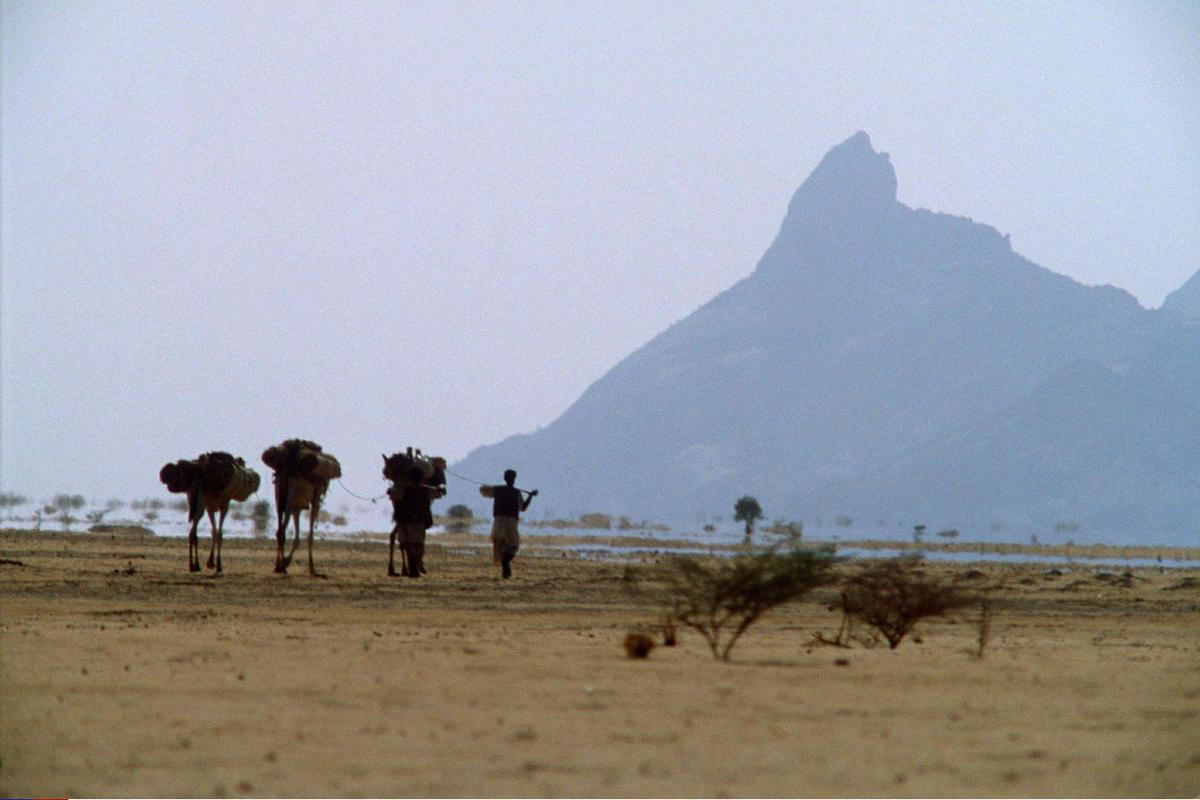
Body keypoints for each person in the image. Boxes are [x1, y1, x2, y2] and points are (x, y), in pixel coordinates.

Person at [479, 469, 536, 579]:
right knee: (513, 545)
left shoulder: (498, 490)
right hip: (511, 521)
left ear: (505, 478)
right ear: (514, 479)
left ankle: (505, 565)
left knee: (500, 545)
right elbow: (523, 507)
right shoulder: (516, 492)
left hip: (499, 521)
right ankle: (506, 564)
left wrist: (485, 486)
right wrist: (530, 496)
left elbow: (483, 491)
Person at [392, 464, 445, 578]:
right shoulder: (426, 490)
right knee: (418, 545)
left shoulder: (403, 491)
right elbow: (439, 493)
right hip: (418, 522)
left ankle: (412, 569)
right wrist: (441, 484)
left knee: (409, 545)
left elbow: (394, 496)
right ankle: (414, 569)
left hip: (407, 521)